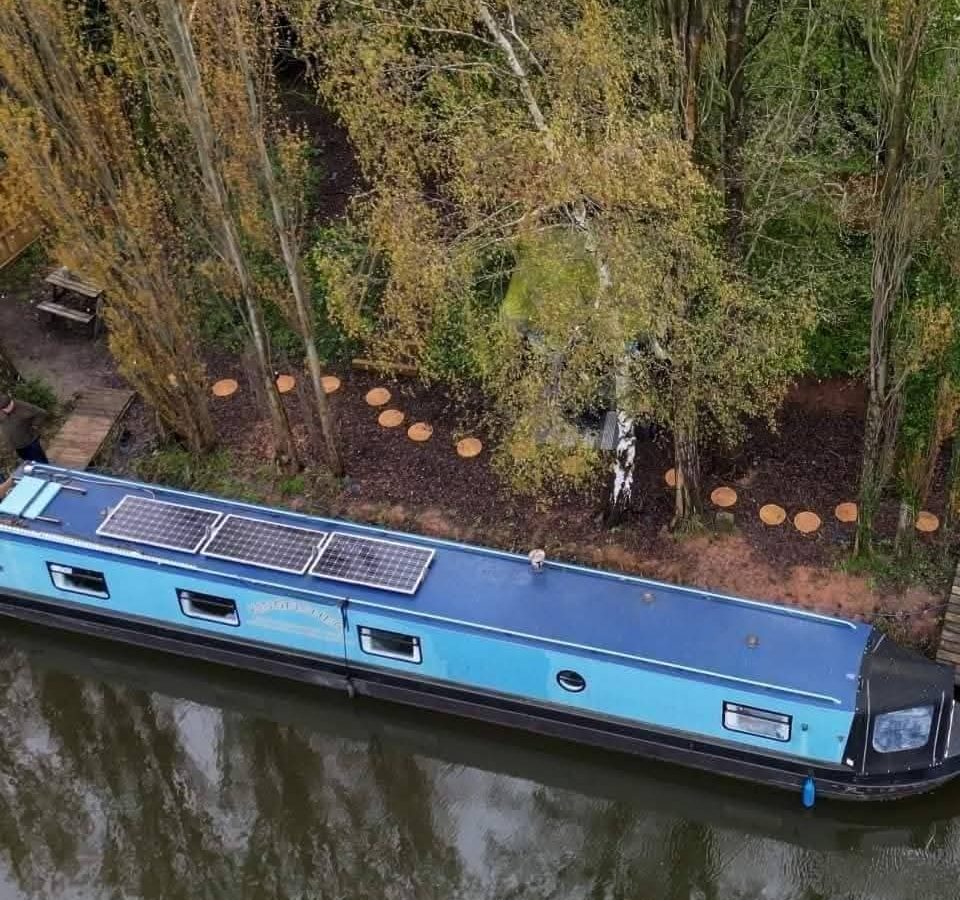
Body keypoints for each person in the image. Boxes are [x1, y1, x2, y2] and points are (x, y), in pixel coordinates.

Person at [0, 393, 49, 463]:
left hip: (30, 442)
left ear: (11, 402)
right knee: (27, 461)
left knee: (40, 462)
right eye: (3, 409)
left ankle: (46, 472)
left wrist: (35, 425)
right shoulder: (2, 409)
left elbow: (42, 413)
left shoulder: (24, 407)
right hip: (16, 444)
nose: (6, 410)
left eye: (7, 407)